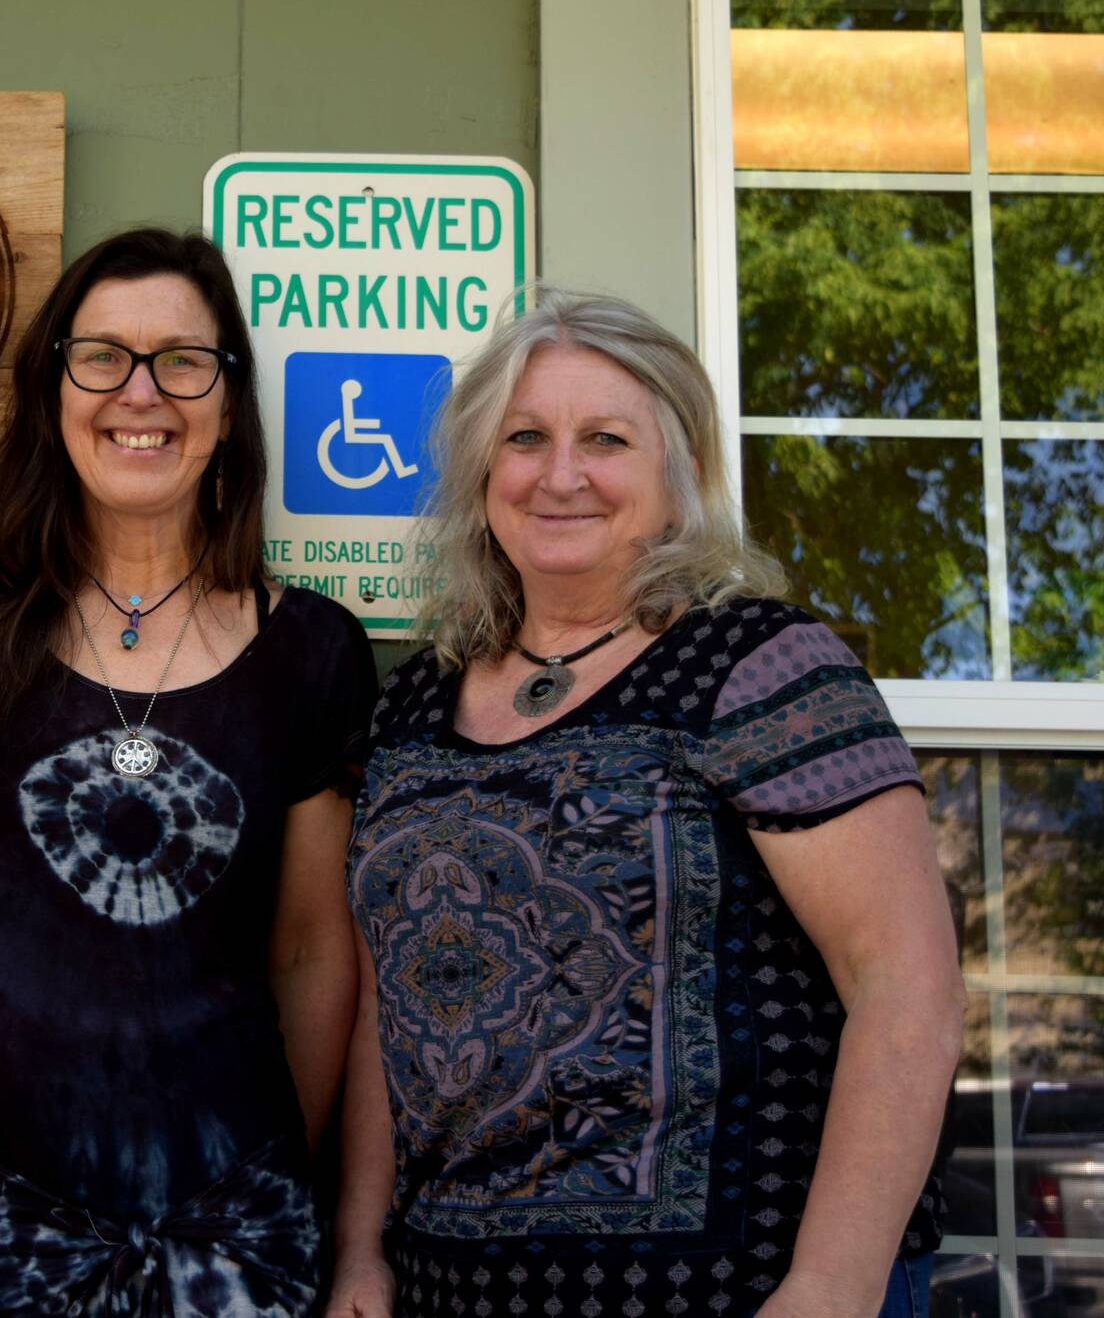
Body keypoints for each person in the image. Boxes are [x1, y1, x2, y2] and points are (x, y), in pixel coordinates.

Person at [327, 287, 963, 1318]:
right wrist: (359, 1247)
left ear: (678, 478)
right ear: (481, 474)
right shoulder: (410, 708)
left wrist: (832, 1285)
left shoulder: (758, 664)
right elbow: (384, 1013)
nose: (560, 474)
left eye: (606, 439)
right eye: (524, 437)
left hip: (739, 1288)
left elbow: (907, 990)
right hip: (450, 1288)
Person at [0, 227, 380, 1314]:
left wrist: (264, 1172)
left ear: (227, 402)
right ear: (54, 389)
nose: (140, 393)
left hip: (227, 1231)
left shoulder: (313, 652)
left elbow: (310, 945)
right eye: (101, 356)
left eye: (182, 361)